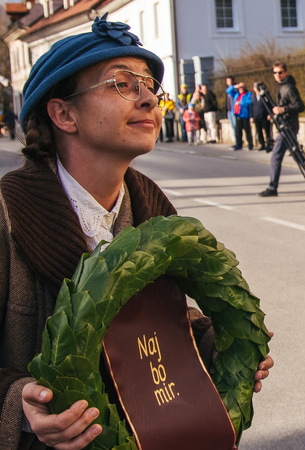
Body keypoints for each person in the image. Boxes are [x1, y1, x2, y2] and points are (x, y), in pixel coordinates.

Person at [0, 16, 273, 449]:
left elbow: (155, 329)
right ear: (64, 113)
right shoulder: (8, 215)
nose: (148, 99)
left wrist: (216, 346)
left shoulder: (152, 207)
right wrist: (19, 406)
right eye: (122, 84)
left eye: (150, 85)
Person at [258, 61, 305, 197]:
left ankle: (272, 187)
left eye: (280, 72)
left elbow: (300, 106)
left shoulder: (288, 88)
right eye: (275, 73)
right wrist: (275, 114)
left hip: (288, 127)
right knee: (297, 155)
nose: (277, 75)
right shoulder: (283, 87)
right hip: (286, 125)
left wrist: (283, 109)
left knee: (275, 157)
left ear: (286, 72)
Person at [251, 81, 273, 152]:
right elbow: (251, 107)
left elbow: (270, 105)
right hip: (256, 116)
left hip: (265, 116)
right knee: (259, 131)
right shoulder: (253, 96)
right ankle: (262, 144)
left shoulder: (265, 95)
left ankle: (269, 144)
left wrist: (270, 114)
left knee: (267, 131)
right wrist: (251, 116)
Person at [231, 82, 254, 151]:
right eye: (239, 88)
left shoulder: (248, 94)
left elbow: (249, 102)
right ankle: (239, 144)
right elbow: (228, 91)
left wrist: (241, 103)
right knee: (238, 131)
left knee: (247, 131)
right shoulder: (237, 94)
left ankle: (250, 144)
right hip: (238, 114)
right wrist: (235, 86)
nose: (240, 89)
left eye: (242, 87)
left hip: (245, 115)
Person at [225, 77, 237, 143]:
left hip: (234, 110)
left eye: (229, 81)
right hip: (229, 110)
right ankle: (234, 140)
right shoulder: (229, 89)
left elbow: (229, 91)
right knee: (232, 126)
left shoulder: (235, 89)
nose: (228, 82)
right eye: (227, 81)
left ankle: (237, 141)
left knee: (235, 126)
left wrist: (234, 86)